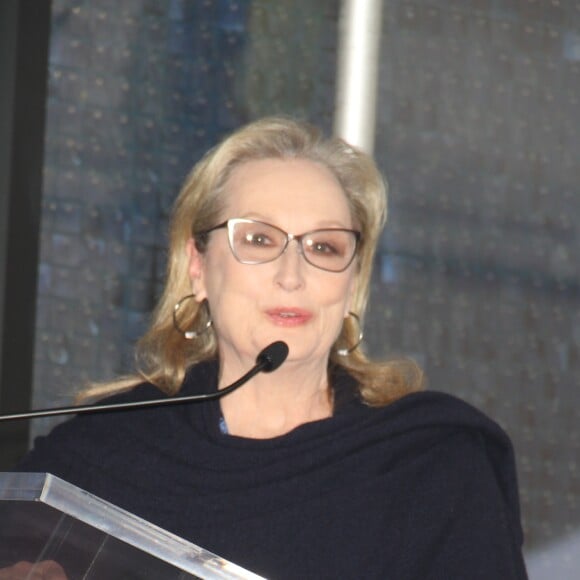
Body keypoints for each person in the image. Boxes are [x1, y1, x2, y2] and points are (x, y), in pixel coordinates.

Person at [5, 117, 527, 578]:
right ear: (198, 265)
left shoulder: (430, 464)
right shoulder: (99, 454)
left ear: (351, 281)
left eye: (324, 247)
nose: (292, 275)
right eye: (258, 239)